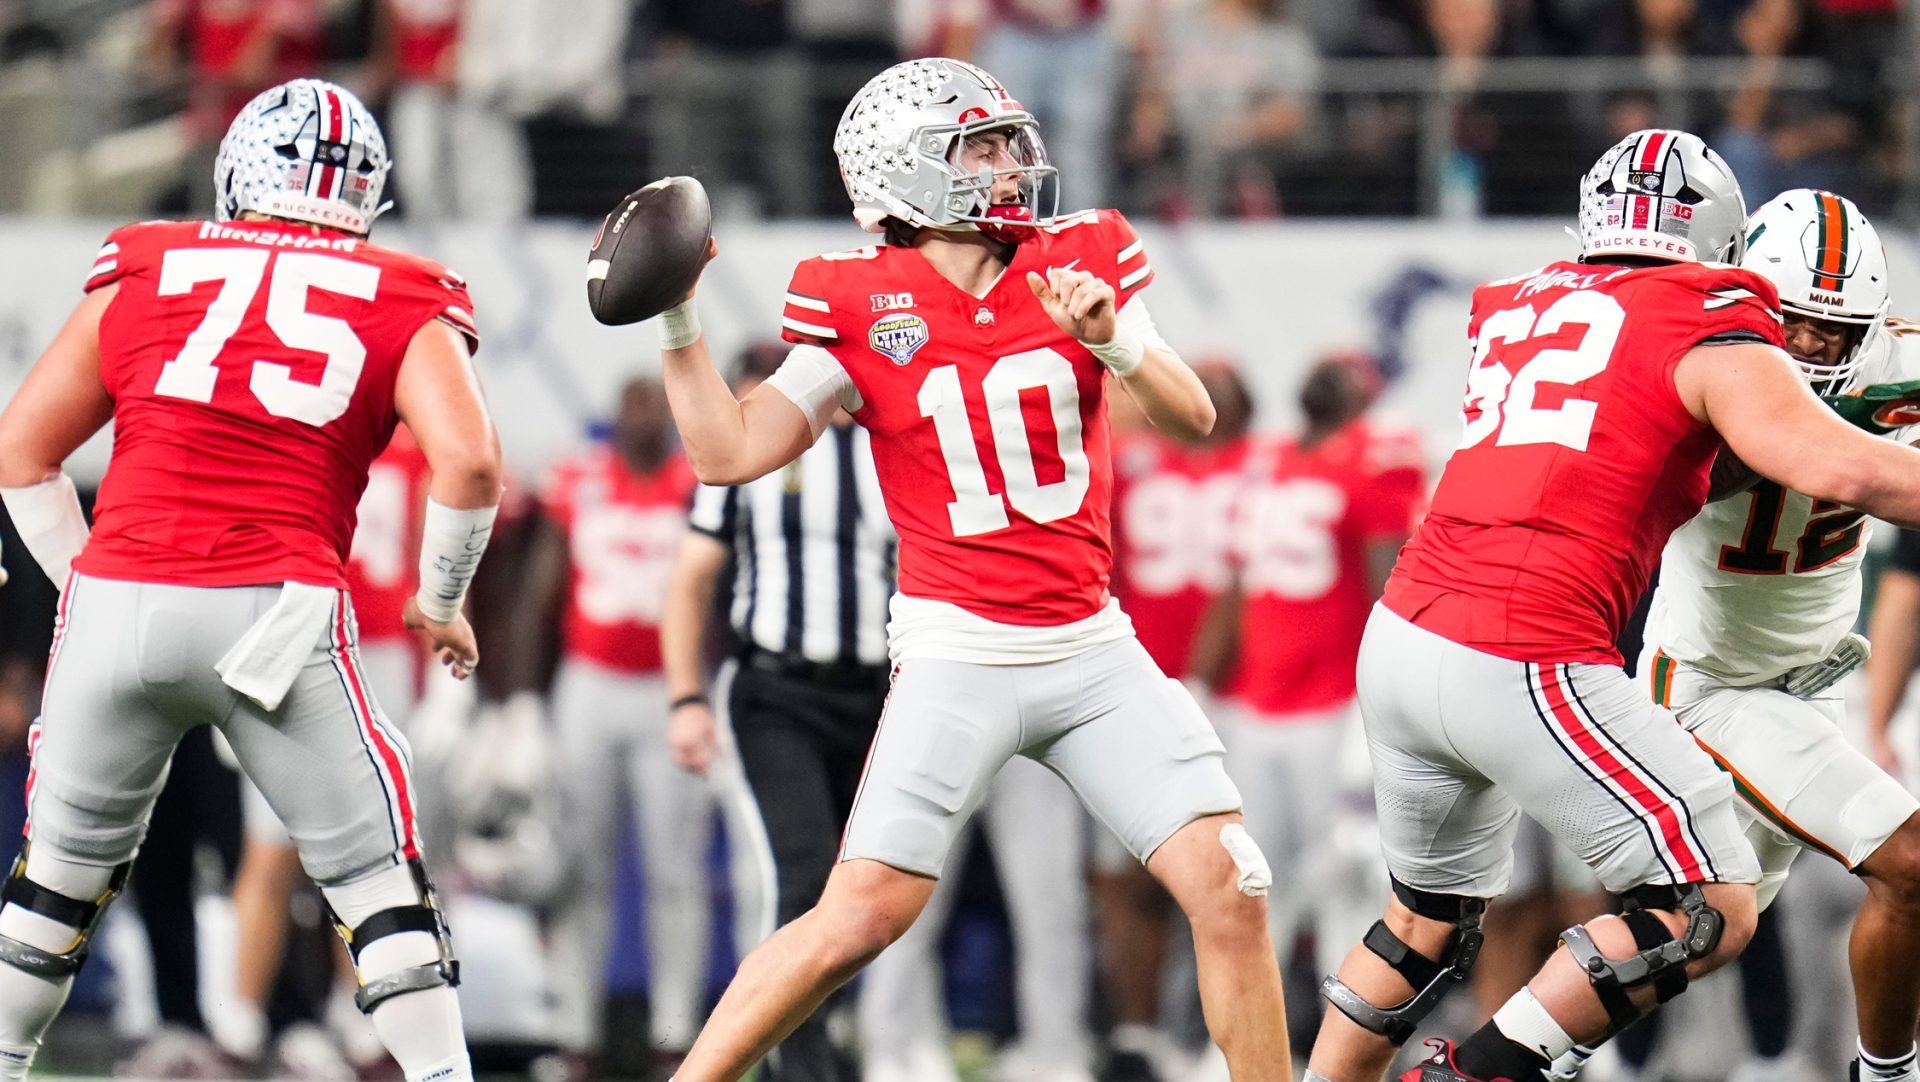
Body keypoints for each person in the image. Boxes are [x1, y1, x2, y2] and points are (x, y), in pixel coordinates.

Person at [647, 55, 1289, 1082]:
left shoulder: (1080, 256)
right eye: (979, 147)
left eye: (1008, 141)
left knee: (1232, 881)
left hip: (1090, 641)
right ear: (901, 171)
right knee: (859, 915)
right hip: (960, 648)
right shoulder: (853, 298)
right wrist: (677, 321)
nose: (1009, 166)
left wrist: (1113, 339)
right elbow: (730, 451)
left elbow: (1194, 415)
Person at [1305, 129, 1920, 1082]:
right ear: (1727, 258)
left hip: (1405, 631)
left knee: (1423, 923)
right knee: (1712, 904)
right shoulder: (1710, 324)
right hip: (1527, 647)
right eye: (1786, 320)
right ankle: (1470, 1077)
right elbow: (1834, 461)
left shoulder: (1518, 302)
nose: (1801, 346)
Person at [0, 78, 499, 1082]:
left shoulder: (145, 262)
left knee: (54, 884)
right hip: (276, 612)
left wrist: (88, 594)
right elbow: (474, 463)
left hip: (121, 597)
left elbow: (20, 451)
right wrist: (438, 600)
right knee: (373, 880)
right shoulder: (406, 290)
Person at [1638, 188, 1920, 1082]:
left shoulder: (1902, 369)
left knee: (1704, 935)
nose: (1808, 348)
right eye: (1793, 324)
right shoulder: (1697, 363)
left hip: (1815, 682)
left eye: (1830, 332)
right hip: (1712, 685)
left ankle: (1521, 1054)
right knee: (1910, 865)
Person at [660, 343, 894, 1082]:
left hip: (882, 699)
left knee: (877, 888)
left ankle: (846, 1040)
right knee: (797, 880)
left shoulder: (894, 452)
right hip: (777, 694)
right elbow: (692, 579)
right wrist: (686, 699)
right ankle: (797, 1063)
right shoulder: (744, 456)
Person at [1204, 352, 1423, 1005]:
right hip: (1264, 702)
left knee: (1340, 885)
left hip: (1335, 705)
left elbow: (1388, 585)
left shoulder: (1341, 459)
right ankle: (1256, 1045)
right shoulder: (1280, 460)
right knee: (1256, 884)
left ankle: (1342, 1038)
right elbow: (1239, 586)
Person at [506, 376, 708, 1076]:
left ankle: (675, 1035)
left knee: (674, 870)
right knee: (579, 866)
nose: (641, 418)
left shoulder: (695, 484)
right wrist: (528, 701)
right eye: (631, 406)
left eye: (652, 405)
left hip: (666, 685)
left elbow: (718, 596)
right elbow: (541, 593)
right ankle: (575, 1035)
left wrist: (705, 692)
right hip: (589, 684)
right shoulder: (582, 481)